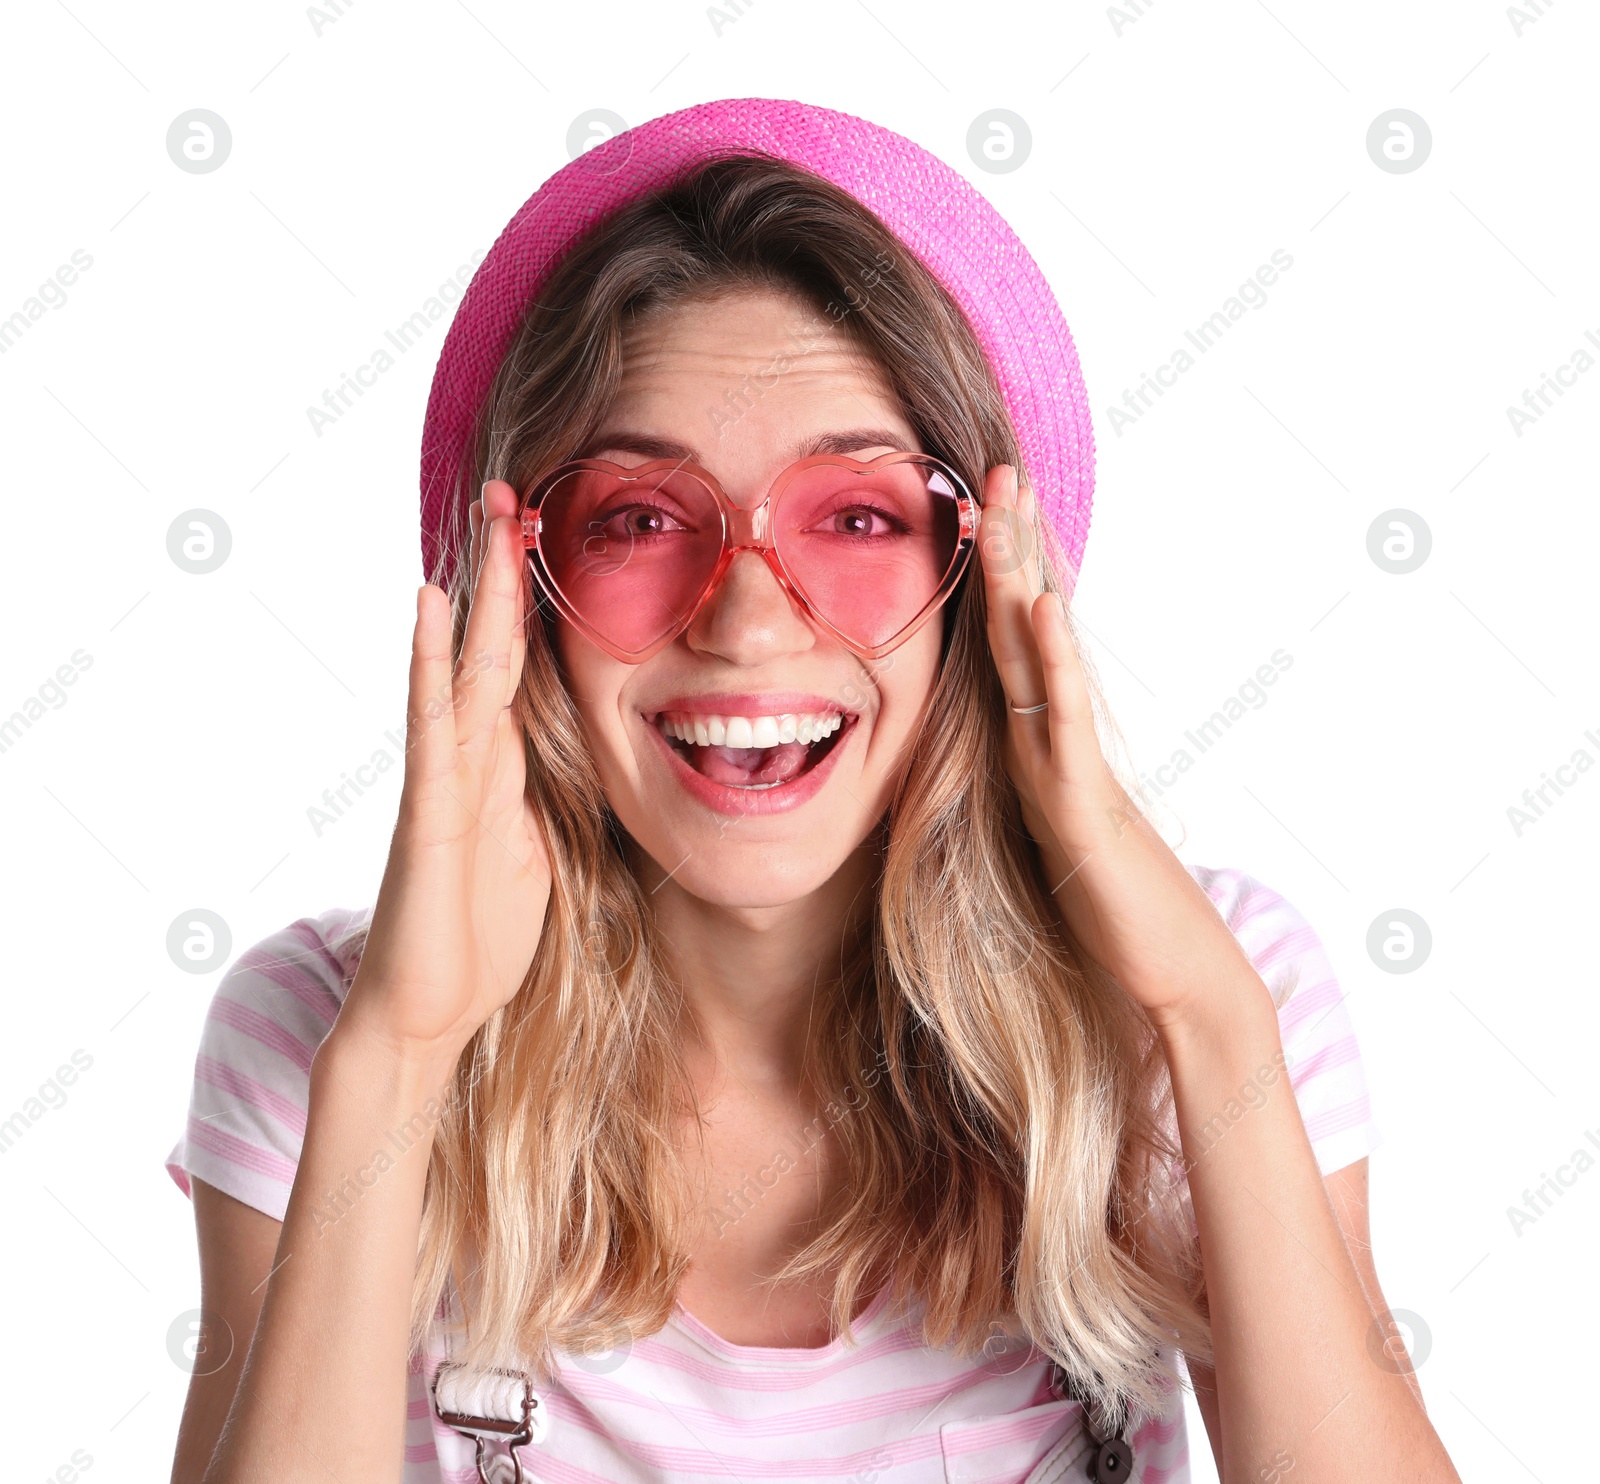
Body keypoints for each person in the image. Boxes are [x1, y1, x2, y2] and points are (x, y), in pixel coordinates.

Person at [165, 100, 1460, 1483]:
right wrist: (403, 1058)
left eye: (856, 518)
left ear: (983, 588)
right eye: (640, 521)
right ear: (520, 593)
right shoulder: (321, 1041)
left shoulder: (1199, 998)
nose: (745, 624)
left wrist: (1207, 1025)